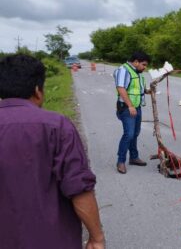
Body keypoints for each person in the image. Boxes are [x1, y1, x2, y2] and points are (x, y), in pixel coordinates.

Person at [0, 54, 105, 248]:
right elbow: (79, 188)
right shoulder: (56, 126)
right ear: (38, 90)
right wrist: (96, 237)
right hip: (51, 239)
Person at [114, 51, 151, 174]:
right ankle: (121, 161)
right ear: (135, 62)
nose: (145, 68)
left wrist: (147, 91)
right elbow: (121, 88)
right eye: (144, 65)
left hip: (136, 107)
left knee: (135, 133)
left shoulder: (137, 72)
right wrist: (130, 106)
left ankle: (134, 157)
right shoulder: (123, 70)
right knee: (128, 134)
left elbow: (136, 88)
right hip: (126, 108)